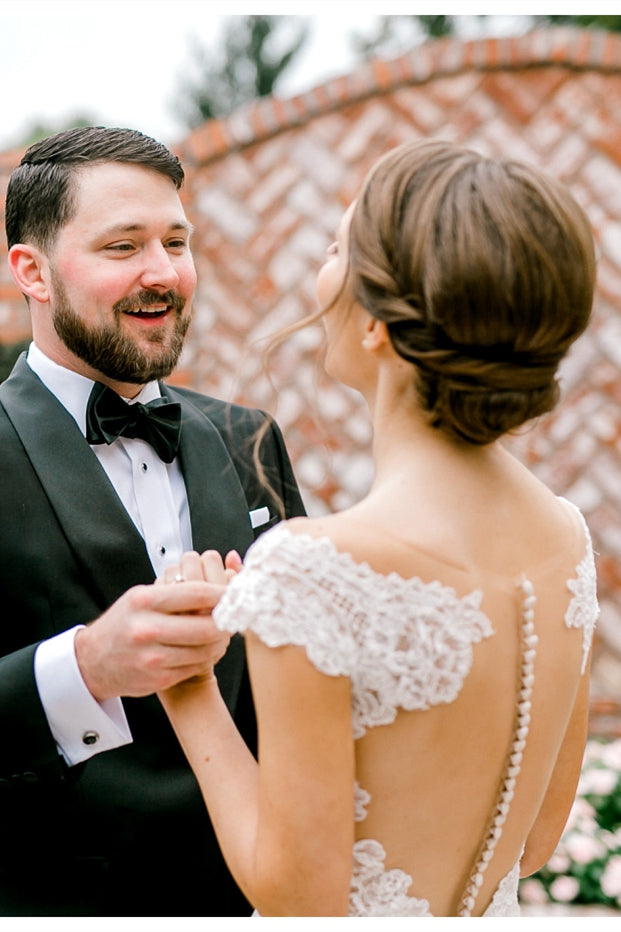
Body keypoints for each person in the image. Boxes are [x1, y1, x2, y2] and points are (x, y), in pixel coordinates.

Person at [157, 139, 600, 917]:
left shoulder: (312, 571)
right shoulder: (566, 539)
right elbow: (533, 845)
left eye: (335, 247)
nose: (318, 274)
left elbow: (303, 904)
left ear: (376, 326)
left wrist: (189, 692)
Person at [0, 125, 305, 917]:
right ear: (30, 270)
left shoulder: (251, 440)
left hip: (249, 899)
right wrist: (87, 666)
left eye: (176, 241)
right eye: (123, 246)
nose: (163, 273)